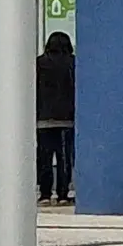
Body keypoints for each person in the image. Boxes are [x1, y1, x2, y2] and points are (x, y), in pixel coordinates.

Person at [36, 32, 76, 205]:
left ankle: (45, 193)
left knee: (44, 156)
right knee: (64, 157)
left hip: (43, 117)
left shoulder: (39, 63)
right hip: (67, 117)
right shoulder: (72, 63)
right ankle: (62, 194)